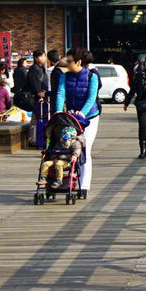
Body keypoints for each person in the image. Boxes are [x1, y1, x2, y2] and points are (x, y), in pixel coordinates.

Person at [53, 49, 101, 196]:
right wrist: (58, 111)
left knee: (84, 149)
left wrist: (83, 113)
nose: (67, 63)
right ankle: (73, 179)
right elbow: (61, 94)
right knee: (70, 148)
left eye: (69, 61)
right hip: (72, 117)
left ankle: (84, 185)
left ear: (78, 62)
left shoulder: (92, 76)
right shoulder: (65, 76)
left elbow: (91, 97)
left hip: (90, 117)